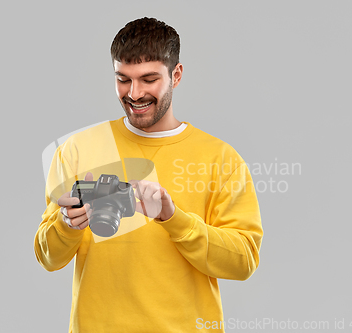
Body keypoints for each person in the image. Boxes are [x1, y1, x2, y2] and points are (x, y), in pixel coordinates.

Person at [34, 17, 263, 332]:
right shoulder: (76, 150)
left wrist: (173, 219)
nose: (134, 93)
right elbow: (48, 258)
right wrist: (66, 224)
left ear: (176, 75)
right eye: (123, 79)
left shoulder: (220, 158)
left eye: (149, 79)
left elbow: (243, 261)